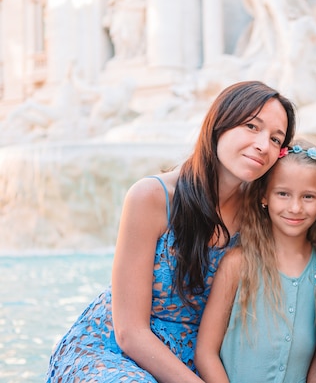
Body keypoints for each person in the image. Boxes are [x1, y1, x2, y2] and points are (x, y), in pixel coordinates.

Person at [45, 81, 297, 382]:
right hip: (114, 352)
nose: (262, 145)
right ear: (219, 124)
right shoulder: (151, 197)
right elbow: (130, 332)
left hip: (198, 357)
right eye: (252, 126)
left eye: (275, 139)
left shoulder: (262, 213)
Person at [195, 139, 316, 382]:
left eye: (308, 197)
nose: (295, 207)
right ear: (264, 196)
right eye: (283, 194)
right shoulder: (239, 263)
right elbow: (205, 353)